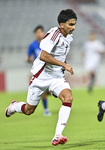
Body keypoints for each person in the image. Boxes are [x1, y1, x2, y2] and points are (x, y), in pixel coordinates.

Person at [5, 9, 77, 146]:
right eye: (70, 24)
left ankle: (57, 135)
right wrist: (64, 65)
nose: (73, 27)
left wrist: (64, 65)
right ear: (62, 24)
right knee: (29, 110)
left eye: (74, 24)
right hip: (41, 77)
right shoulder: (53, 34)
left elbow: (61, 54)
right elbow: (43, 56)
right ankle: (14, 107)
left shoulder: (69, 37)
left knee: (68, 98)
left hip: (56, 77)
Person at [27, 25, 51, 116]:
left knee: (50, 90)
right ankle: (46, 110)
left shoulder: (48, 43)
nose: (39, 34)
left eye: (40, 32)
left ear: (43, 33)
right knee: (43, 90)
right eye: (37, 33)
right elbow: (28, 57)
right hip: (39, 71)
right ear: (35, 35)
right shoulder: (32, 45)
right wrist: (34, 61)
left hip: (49, 69)